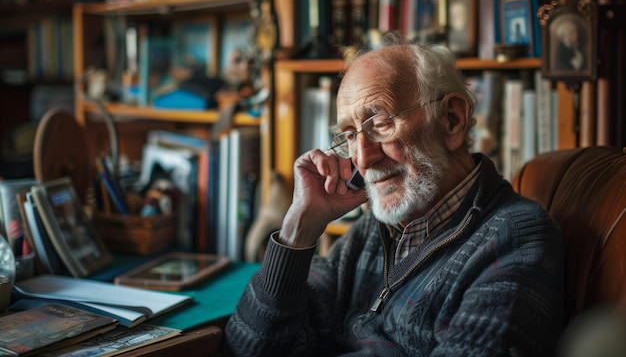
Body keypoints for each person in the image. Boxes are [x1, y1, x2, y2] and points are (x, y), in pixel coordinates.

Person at [224, 33, 565, 356]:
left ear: (451, 120)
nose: (361, 157)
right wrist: (299, 230)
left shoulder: (516, 238)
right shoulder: (371, 233)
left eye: (381, 123)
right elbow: (250, 347)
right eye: (348, 135)